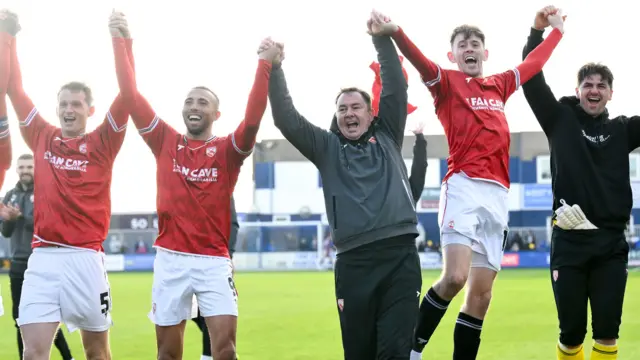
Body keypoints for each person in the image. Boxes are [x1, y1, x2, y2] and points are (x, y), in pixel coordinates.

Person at [370, 8, 565, 360]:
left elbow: (534, 63)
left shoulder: (500, 84)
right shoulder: (445, 82)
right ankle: (411, 350)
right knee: (455, 278)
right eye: (463, 45)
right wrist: (396, 31)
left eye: (476, 44)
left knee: (481, 296)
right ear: (454, 55)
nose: (470, 48)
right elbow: (420, 62)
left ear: (485, 53)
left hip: (498, 195)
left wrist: (556, 32)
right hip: (463, 186)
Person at [108, 12, 276, 360]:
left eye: (203, 102)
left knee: (226, 350)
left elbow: (254, 118)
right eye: (189, 101)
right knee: (168, 354)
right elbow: (129, 94)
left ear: (216, 114)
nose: (194, 106)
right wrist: (122, 41)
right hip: (170, 260)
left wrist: (264, 64)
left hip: (214, 261)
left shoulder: (228, 151)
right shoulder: (164, 141)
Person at [268, 11, 422, 359]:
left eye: (356, 107)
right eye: (342, 109)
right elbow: (286, 119)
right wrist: (275, 69)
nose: (349, 113)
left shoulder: (388, 136)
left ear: (371, 113)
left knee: (395, 353)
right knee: (358, 354)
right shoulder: (327, 149)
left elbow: (396, 86)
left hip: (400, 258)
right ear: (336, 117)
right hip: (354, 265)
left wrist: (381, 38)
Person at [0, 9, 136, 360]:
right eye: (63, 104)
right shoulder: (42, 136)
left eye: (76, 104)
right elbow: (14, 89)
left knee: (97, 353)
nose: (68, 109)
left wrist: (120, 40)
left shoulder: (104, 141)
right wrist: (8, 35)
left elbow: (129, 92)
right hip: (42, 260)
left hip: (86, 261)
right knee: (32, 353)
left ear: (90, 110)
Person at [522, 7, 631, 360]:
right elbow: (530, 76)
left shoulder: (624, 129)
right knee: (570, 336)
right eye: (588, 85)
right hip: (569, 244)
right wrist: (536, 33)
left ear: (611, 93)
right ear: (578, 90)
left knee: (608, 336)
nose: (594, 90)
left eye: (602, 85)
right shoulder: (559, 119)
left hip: (610, 244)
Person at [1, 154, 74, 360]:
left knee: (45, 318)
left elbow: (48, 226)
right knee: (20, 320)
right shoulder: (9, 196)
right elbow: (6, 232)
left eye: (29, 167)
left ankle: (68, 357)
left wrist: (20, 217)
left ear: (36, 168)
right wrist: (8, 220)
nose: (25, 170)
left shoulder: (46, 193)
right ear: (17, 169)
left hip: (42, 262)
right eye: (21, 167)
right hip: (18, 264)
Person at [191, 197, 239, 360]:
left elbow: (232, 223)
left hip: (214, 261)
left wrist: (228, 256)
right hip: (183, 261)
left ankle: (208, 356)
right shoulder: (182, 183)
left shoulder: (220, 184)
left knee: (210, 313)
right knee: (193, 312)